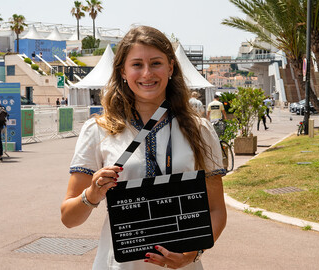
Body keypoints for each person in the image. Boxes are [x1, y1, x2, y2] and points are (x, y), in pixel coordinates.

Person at [60, 26, 227, 270]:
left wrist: (191, 254)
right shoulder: (98, 129)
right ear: (123, 71)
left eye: (156, 63)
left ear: (170, 67)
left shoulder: (199, 129)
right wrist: (93, 194)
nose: (147, 73)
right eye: (137, 64)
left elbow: (216, 210)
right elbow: (68, 218)